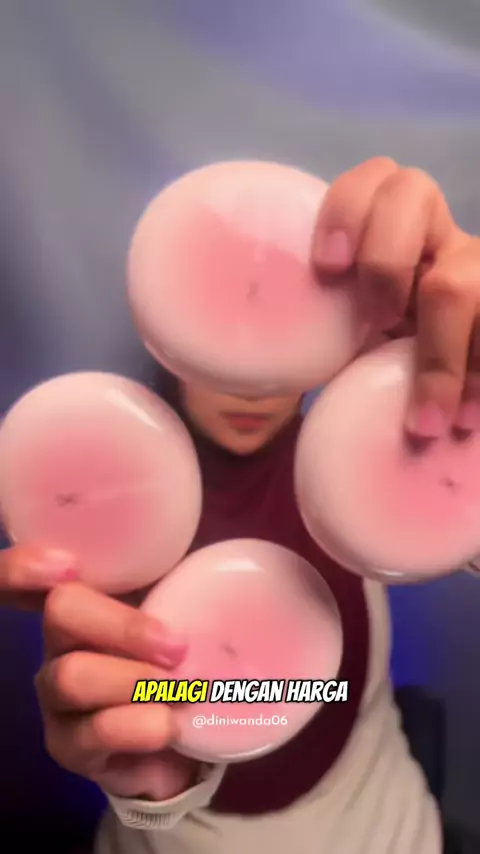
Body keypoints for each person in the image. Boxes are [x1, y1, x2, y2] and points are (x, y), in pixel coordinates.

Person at [2, 158, 480, 853]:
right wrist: (163, 768)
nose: (248, 386)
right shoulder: (110, 520)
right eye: (225, 321)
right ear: (168, 328)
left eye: (279, 325)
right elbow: (223, 710)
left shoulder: (369, 463)